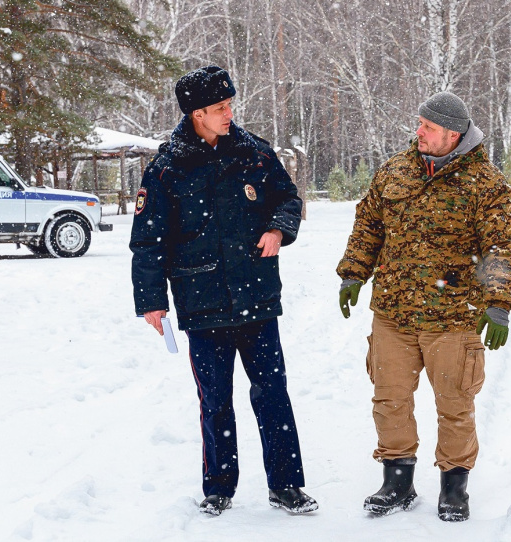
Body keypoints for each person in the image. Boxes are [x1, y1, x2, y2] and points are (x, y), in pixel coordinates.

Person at [130, 66, 317, 517]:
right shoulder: (167, 168)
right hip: (202, 302)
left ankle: (287, 486)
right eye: (219, 108)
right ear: (196, 113)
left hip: (256, 297)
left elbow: (289, 198)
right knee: (214, 401)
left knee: (273, 393)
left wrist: (278, 228)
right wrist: (152, 301)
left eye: (230, 104)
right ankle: (218, 487)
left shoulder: (254, 152)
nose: (229, 113)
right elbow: (148, 238)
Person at [336, 91, 511, 522]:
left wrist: (497, 304)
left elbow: (502, 245)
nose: (418, 132)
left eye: (428, 127)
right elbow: (368, 225)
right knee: (390, 399)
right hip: (394, 313)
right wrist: (353, 273)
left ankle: (454, 486)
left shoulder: (486, 184)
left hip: (454, 316)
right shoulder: (395, 171)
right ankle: (397, 481)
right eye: (419, 123)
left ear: (453, 135)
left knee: (455, 403)